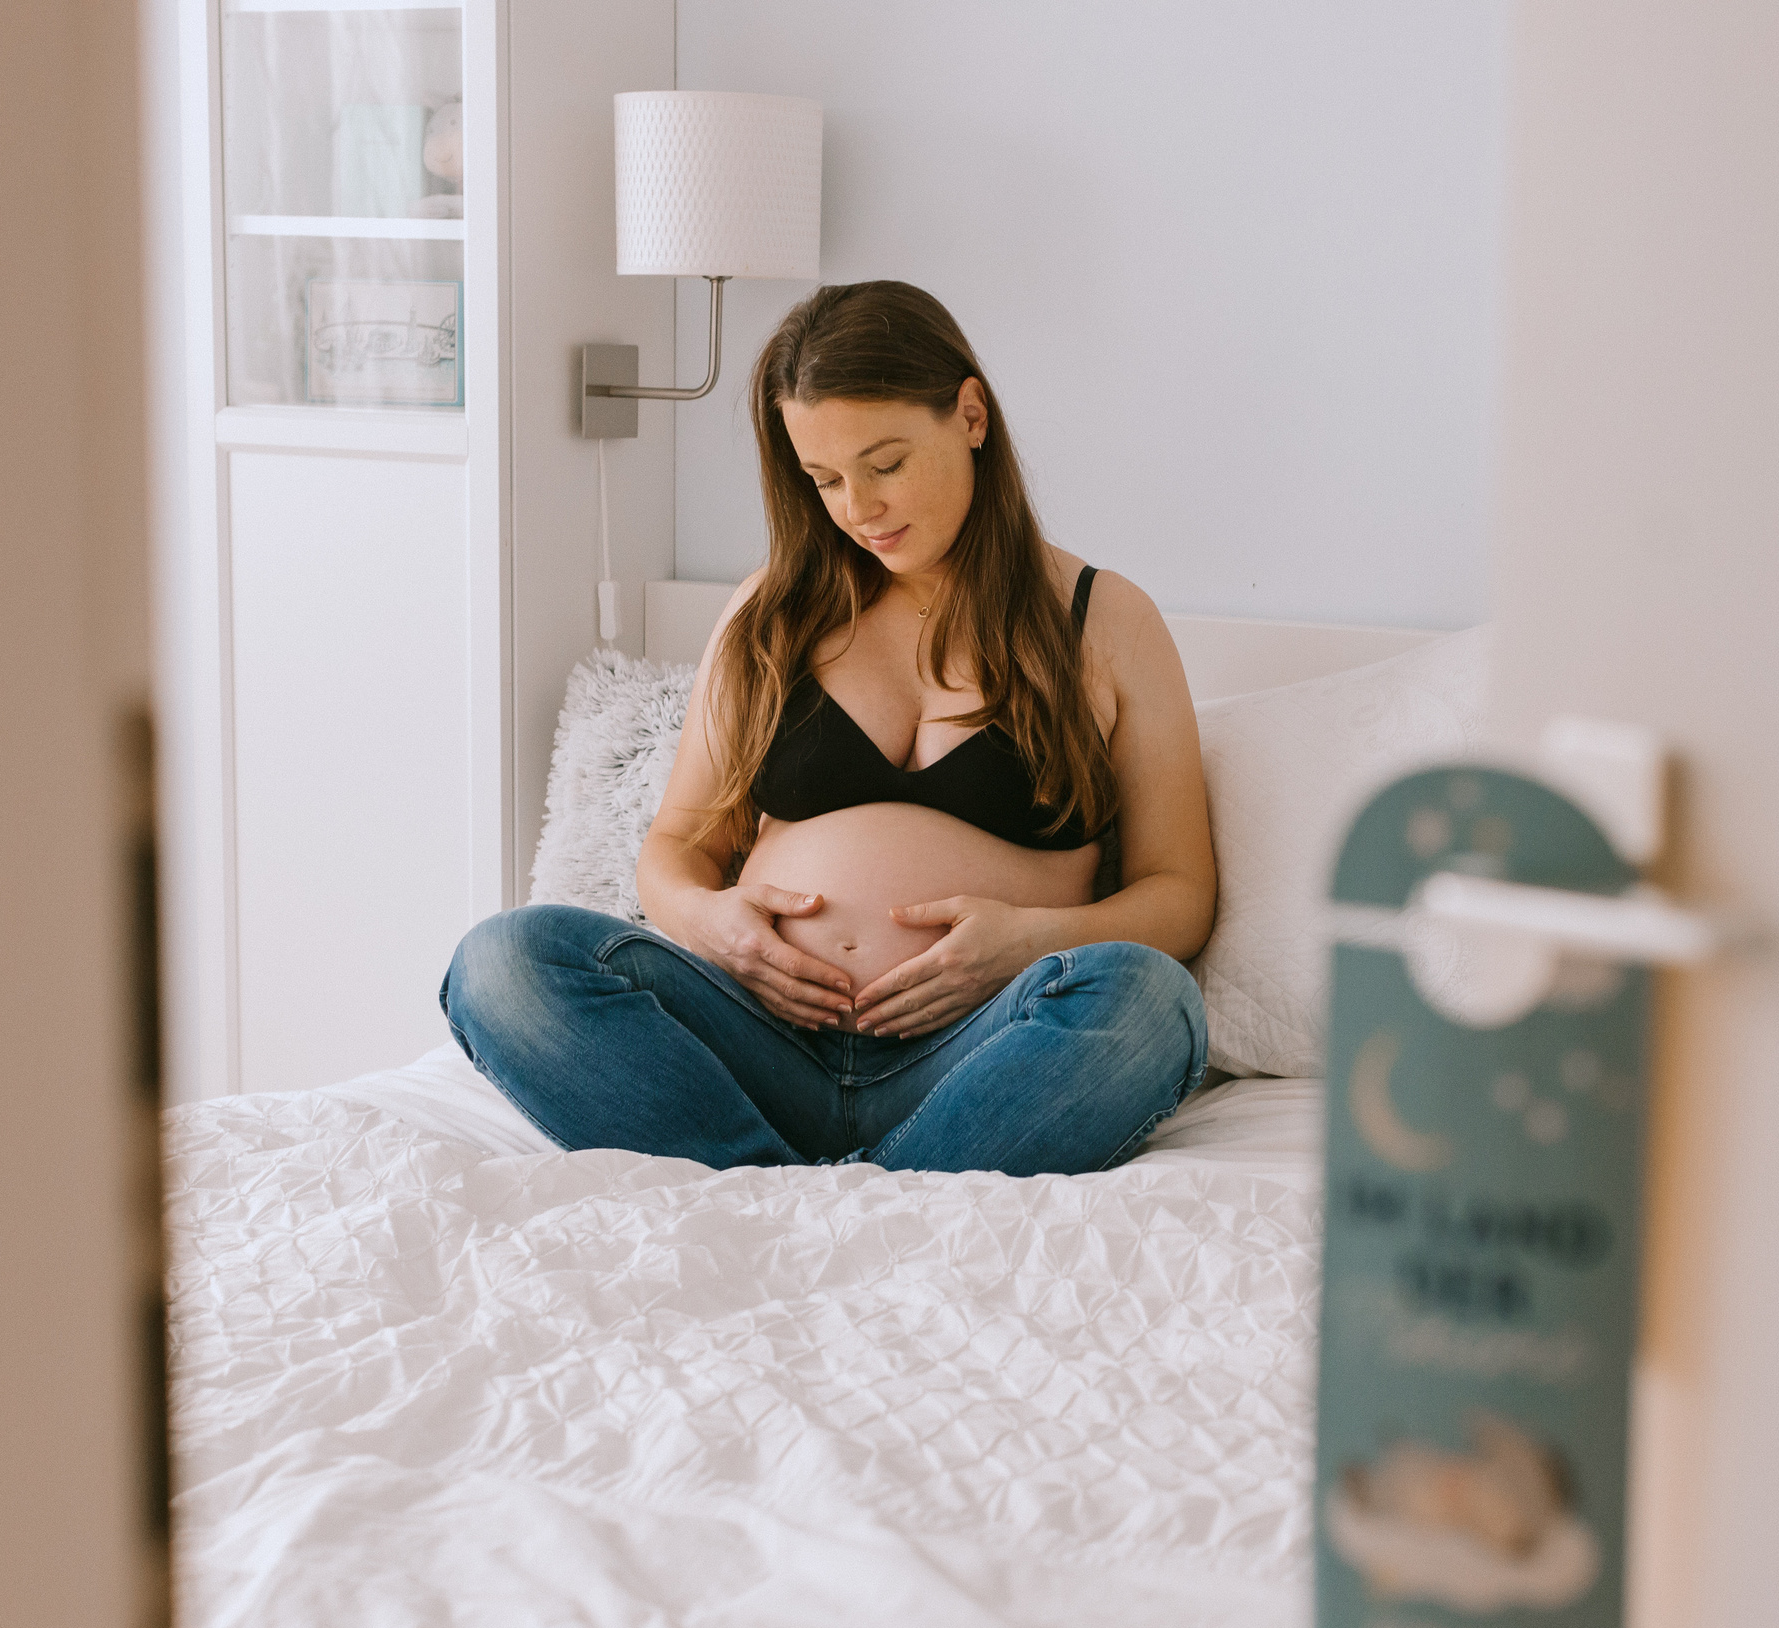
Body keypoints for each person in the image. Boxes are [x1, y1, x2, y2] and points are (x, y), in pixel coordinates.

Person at [440, 281, 1215, 1174]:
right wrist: (713, 922)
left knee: (1150, 1003)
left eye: (885, 464)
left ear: (971, 416)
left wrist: (1027, 942)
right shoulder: (770, 614)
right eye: (826, 480)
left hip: (979, 1050)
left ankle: (815, 1194)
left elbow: (1180, 893)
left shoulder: (1106, 623)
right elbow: (678, 846)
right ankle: (822, 1194)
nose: (858, 508)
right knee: (503, 962)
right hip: (756, 1044)